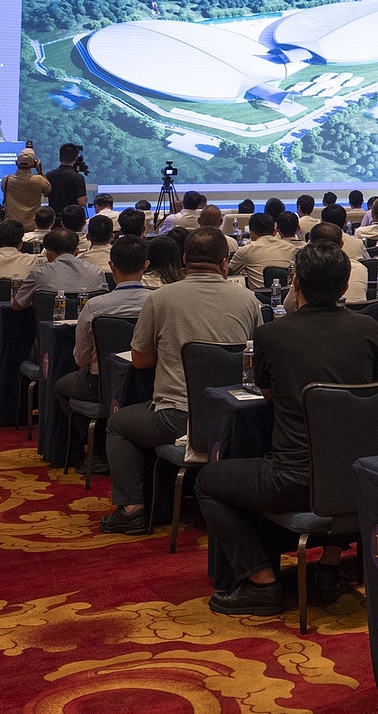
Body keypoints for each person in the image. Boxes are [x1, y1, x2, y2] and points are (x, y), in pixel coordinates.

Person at [200, 241, 378, 615]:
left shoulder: (274, 334)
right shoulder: (367, 328)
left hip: (291, 480)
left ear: (295, 283)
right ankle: (330, 565)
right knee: (345, 462)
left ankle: (261, 582)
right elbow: (376, 388)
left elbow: (266, 391)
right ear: (347, 282)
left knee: (206, 481)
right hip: (360, 479)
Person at [102, 228, 263, 536]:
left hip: (176, 417)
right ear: (225, 263)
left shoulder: (161, 298)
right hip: (233, 419)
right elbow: (258, 357)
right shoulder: (249, 301)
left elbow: (139, 360)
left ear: (186, 260)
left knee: (118, 424)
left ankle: (132, 509)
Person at [52, 235, 151, 427]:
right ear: (145, 265)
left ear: (111, 266)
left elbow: (81, 359)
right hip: (149, 382)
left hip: (100, 383)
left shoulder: (94, 306)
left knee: (59, 387)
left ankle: (90, 441)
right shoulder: (158, 302)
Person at [12, 227, 106, 312]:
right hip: (88, 328)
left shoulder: (39, 274)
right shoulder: (97, 272)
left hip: (48, 328)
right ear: (76, 251)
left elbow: (17, 305)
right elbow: (104, 305)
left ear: (48, 253)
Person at [231, 212, 295, 289]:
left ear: (251, 234)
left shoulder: (245, 251)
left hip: (257, 298)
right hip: (285, 296)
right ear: (274, 232)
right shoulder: (291, 248)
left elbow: (229, 272)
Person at [0, 151, 50, 229]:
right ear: (33, 164)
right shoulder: (39, 180)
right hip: (32, 226)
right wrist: (40, 171)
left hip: (11, 226)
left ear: (16, 163)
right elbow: (47, 190)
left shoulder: (6, 180)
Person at [46, 144, 88, 213]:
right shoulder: (78, 177)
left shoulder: (49, 175)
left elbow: (45, 194)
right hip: (72, 217)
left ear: (59, 158)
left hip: (54, 216)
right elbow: (82, 202)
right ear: (76, 158)